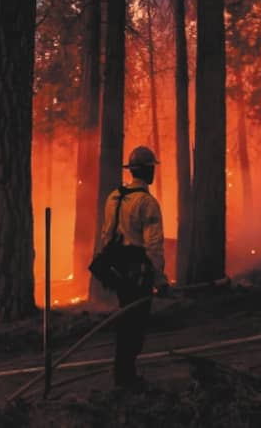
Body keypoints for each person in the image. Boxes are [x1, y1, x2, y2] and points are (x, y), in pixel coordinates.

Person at [99, 145, 166, 388]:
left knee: (126, 318)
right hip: (139, 272)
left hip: (118, 270)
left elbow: (107, 236)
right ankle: (125, 377)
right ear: (148, 172)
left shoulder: (114, 197)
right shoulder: (147, 203)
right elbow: (154, 246)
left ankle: (123, 373)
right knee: (135, 324)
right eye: (152, 169)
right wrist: (159, 279)